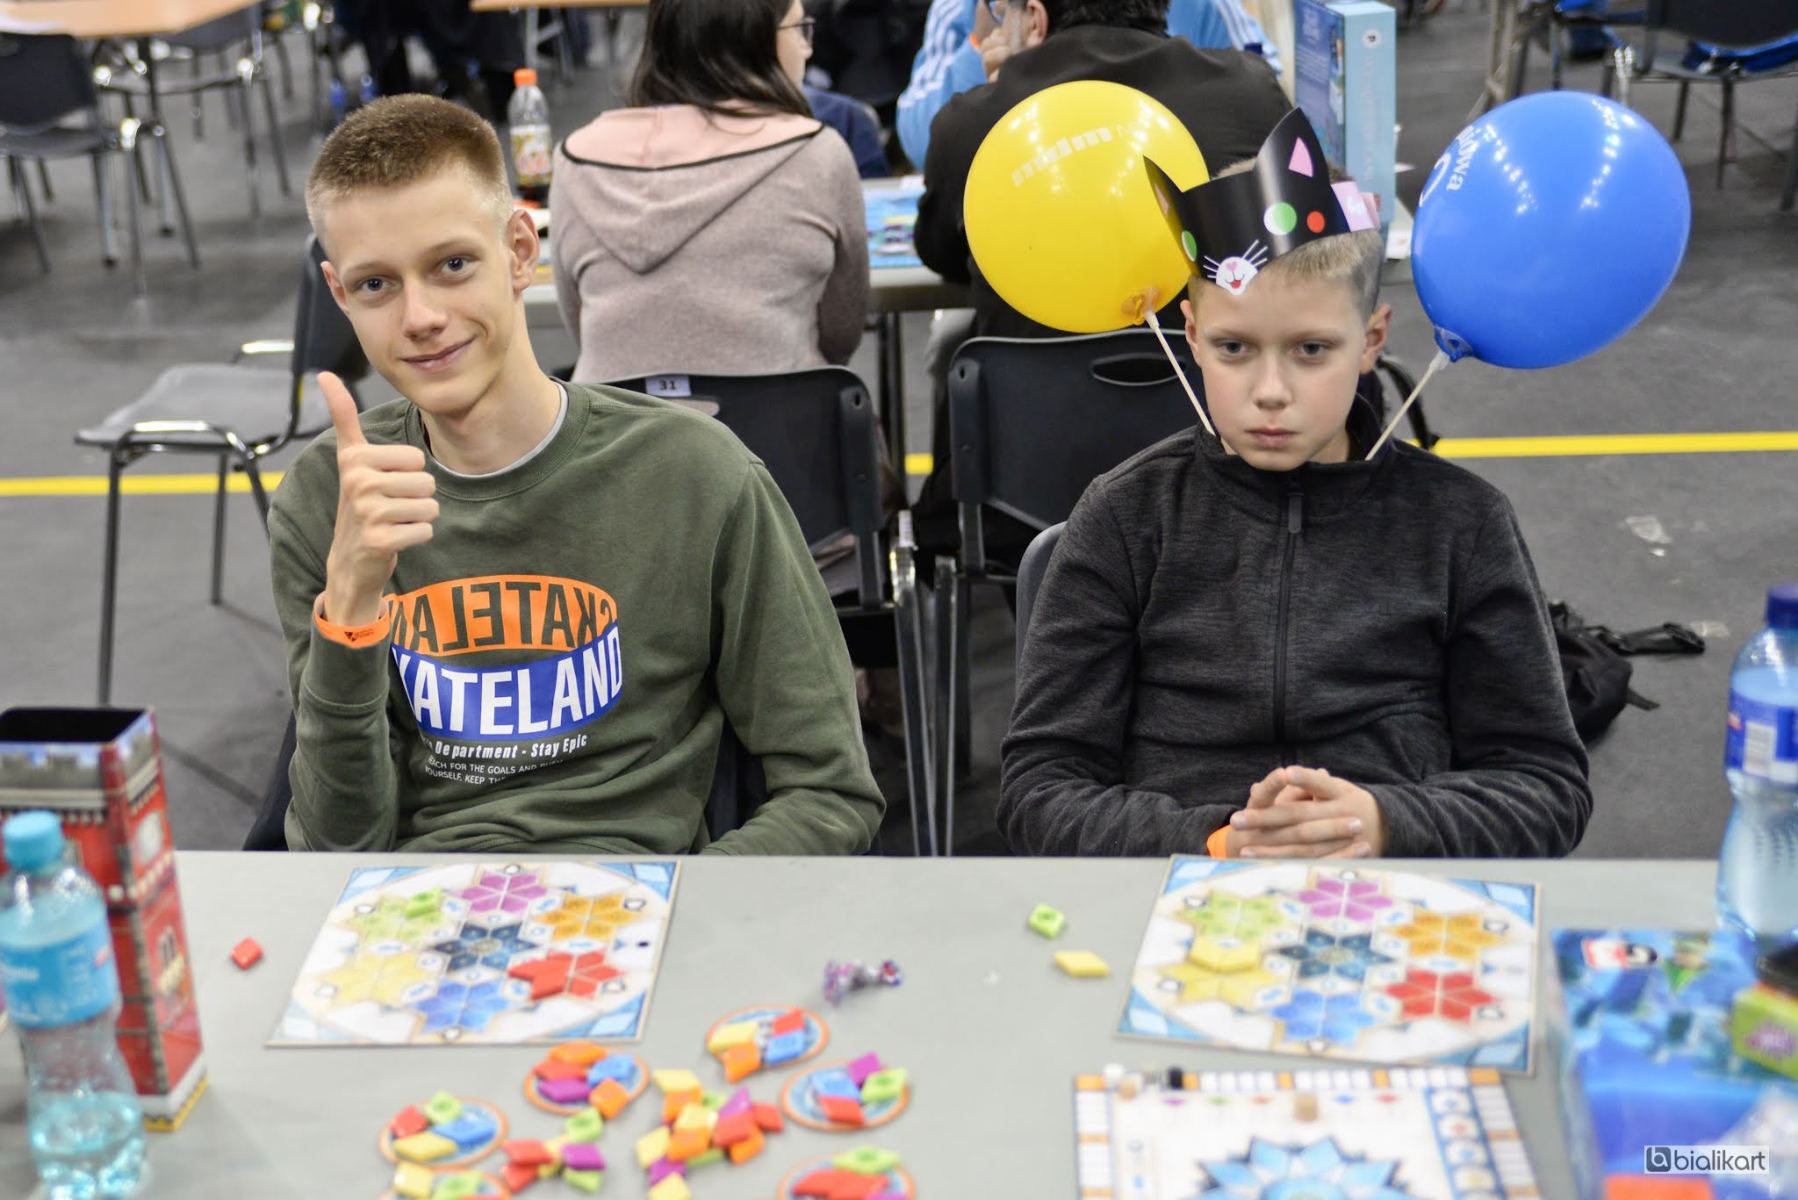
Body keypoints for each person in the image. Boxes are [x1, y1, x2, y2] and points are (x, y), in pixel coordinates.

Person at [271, 94, 884, 855]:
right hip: (419, 909)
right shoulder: (329, 500)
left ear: (520, 251)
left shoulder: (696, 475)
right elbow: (336, 847)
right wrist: (351, 612)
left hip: (640, 901)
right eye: (376, 285)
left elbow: (830, 789)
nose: (419, 316)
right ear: (339, 295)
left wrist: (683, 903)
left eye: (453, 265)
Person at [998, 113, 1592, 859]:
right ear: (1192, 335)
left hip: (1391, 882)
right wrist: (1215, 840)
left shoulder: (1459, 523)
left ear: (1371, 341)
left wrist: (1386, 822)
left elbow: (1545, 786)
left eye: (1311, 349)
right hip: (1182, 877)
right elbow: (1040, 788)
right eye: (1234, 348)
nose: (1270, 391)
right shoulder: (1126, 517)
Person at [550, 0, 868, 382]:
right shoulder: (817, 153)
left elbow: (580, 326)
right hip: (781, 418)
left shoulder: (576, 160)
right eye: (799, 29)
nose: (807, 48)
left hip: (616, 418)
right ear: (755, 39)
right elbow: (843, 330)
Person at [896, 0, 1281, 170]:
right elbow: (920, 144)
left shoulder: (1210, 9)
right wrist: (981, 52)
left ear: (1034, 20)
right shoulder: (968, 9)